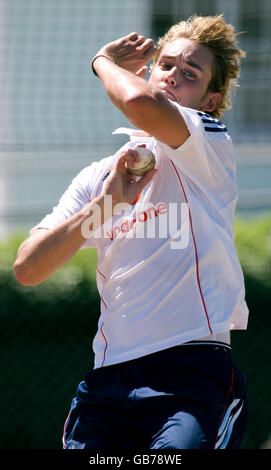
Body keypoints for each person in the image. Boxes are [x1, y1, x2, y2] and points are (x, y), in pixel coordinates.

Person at [13, 14, 249, 449]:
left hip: (191, 372)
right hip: (109, 380)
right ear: (150, 68)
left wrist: (103, 61)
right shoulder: (99, 176)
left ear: (210, 99)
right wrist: (105, 208)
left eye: (190, 74)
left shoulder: (208, 142)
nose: (173, 76)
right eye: (166, 64)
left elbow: (139, 102)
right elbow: (28, 267)